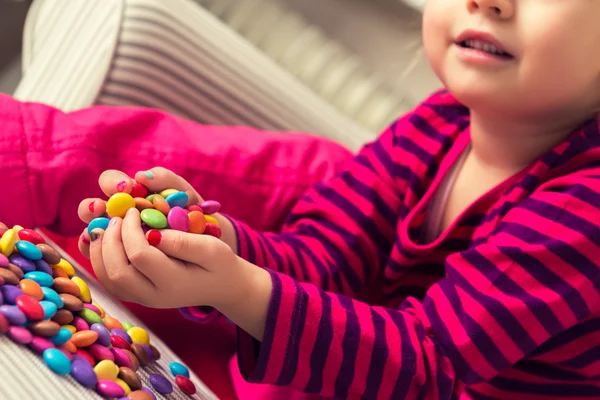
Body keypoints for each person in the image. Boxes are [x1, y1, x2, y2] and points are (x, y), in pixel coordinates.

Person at [2, 0, 600, 398]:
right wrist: (218, 242)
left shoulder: (585, 208)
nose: (487, 0)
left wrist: (236, 287)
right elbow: (325, 254)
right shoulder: (441, 120)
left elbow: (431, 364)